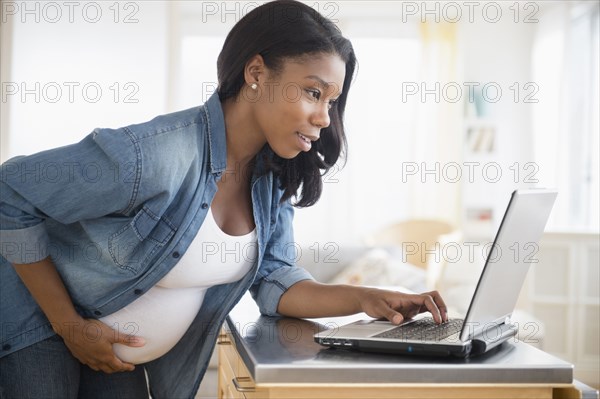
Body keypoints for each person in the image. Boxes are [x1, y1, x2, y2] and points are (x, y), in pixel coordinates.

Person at [0, 1, 448, 397]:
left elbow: (276, 281)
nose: (323, 118)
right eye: (314, 92)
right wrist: (69, 325)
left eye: (331, 101)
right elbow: (11, 191)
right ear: (256, 74)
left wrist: (368, 298)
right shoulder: (155, 155)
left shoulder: (269, 179)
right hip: (42, 328)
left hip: (109, 346)